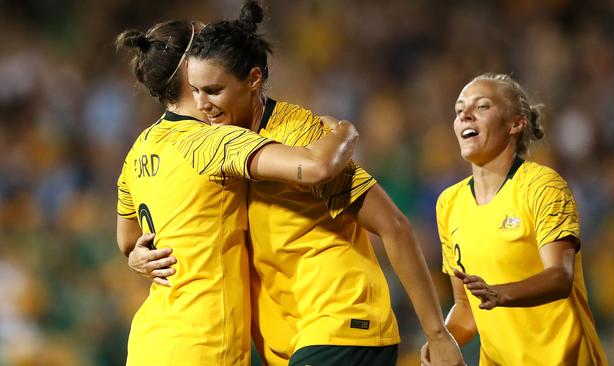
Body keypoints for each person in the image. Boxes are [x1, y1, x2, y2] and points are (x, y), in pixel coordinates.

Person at [129, 2, 464, 365]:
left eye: (213, 90)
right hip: (295, 343)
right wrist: (138, 253)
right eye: (195, 91)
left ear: (254, 79)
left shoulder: (300, 135)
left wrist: (437, 334)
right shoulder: (221, 152)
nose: (202, 105)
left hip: (342, 324)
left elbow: (394, 225)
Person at [114, 18, 359, 366]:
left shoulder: (138, 150)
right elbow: (316, 167)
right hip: (204, 344)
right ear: (190, 69)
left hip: (149, 344)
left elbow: (127, 241)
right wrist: (344, 129)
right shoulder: (217, 142)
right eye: (204, 45)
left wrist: (137, 259)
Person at [421, 73, 608, 365]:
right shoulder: (449, 203)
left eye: (482, 107)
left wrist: (500, 294)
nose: (465, 115)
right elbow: (467, 308)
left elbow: (560, 277)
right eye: (459, 110)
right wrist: (441, 340)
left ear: (516, 123)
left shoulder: (542, 185)